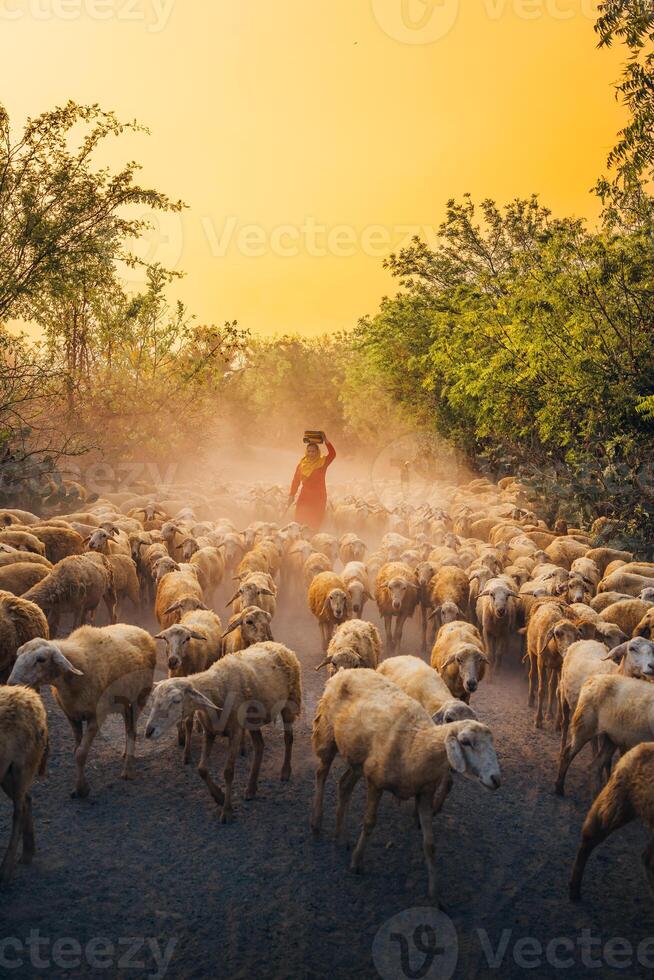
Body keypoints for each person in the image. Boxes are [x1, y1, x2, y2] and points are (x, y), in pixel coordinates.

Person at [288, 432, 336, 531]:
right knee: (300, 520)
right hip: (305, 496)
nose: (311, 454)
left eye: (313, 451)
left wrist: (326, 440)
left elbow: (333, 454)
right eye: (309, 451)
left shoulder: (322, 462)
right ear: (306, 452)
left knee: (314, 523)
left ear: (317, 452)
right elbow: (296, 480)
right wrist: (292, 495)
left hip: (319, 497)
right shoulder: (302, 464)